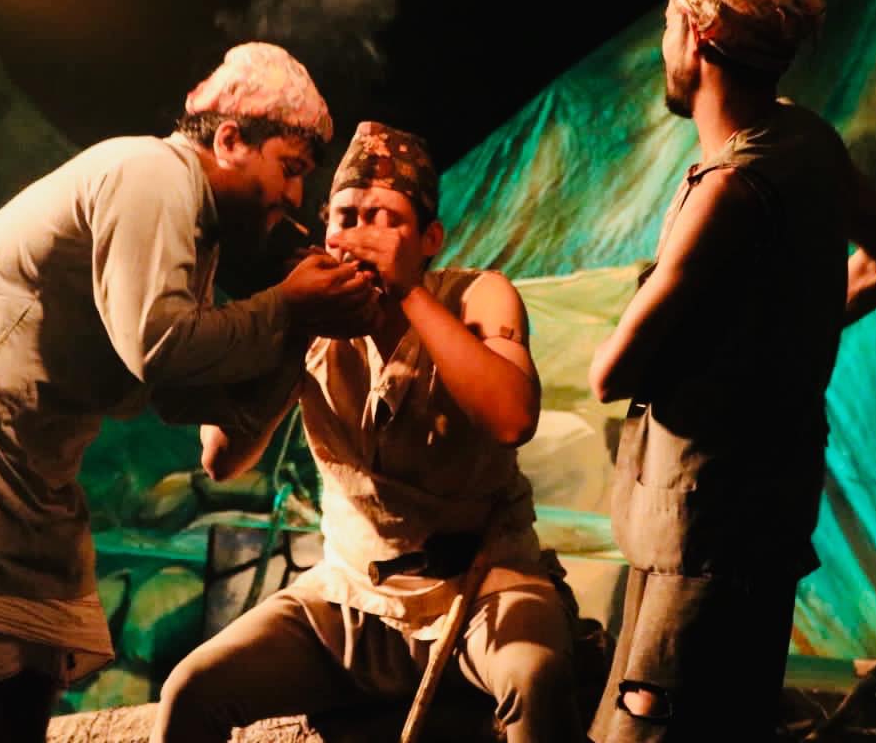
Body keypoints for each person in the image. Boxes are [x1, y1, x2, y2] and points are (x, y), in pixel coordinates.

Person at [0, 42, 376, 743]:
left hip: (25, 472)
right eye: (290, 168)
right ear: (229, 140)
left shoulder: (195, 228)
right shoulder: (152, 175)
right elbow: (160, 346)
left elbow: (193, 410)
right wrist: (286, 306)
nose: (295, 199)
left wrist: (299, 331)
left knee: (20, 703)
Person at [586, 0, 876, 742]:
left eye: (667, 27)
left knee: (648, 728)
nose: (664, 46)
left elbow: (611, 373)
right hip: (771, 512)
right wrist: (785, 332)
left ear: (699, 37)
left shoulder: (730, 190)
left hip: (698, 529)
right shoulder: (809, 142)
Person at [155, 121, 583, 743]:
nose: (362, 235)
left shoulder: (476, 296)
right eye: (348, 217)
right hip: (352, 595)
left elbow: (512, 417)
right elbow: (222, 459)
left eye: (386, 219)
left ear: (429, 238)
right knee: (192, 690)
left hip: (481, 587)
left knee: (534, 675)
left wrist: (406, 292)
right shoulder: (306, 315)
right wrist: (293, 326)